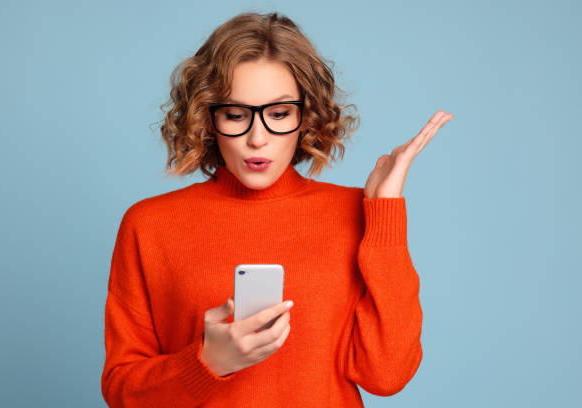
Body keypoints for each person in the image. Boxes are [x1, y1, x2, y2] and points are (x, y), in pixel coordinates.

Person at [100, 11, 453, 408]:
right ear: (208, 117)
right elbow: (122, 391)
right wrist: (206, 362)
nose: (257, 138)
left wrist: (385, 211)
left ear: (307, 116)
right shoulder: (150, 225)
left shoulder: (354, 213)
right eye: (235, 114)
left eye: (279, 114)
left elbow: (386, 376)